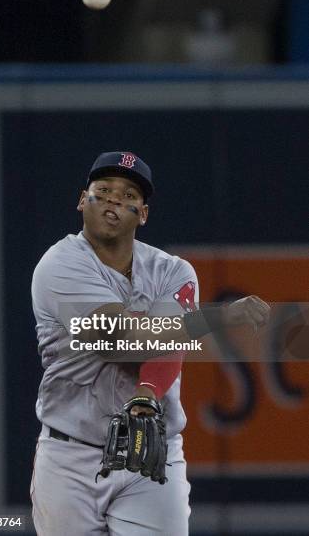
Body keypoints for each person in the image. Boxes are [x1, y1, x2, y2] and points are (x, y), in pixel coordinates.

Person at [30, 151, 270, 535]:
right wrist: (219, 317)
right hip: (69, 455)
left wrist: (147, 392)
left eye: (127, 194)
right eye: (103, 190)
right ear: (82, 200)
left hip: (150, 454)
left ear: (142, 213)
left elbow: (168, 343)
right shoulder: (59, 265)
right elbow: (127, 338)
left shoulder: (172, 270)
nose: (113, 201)